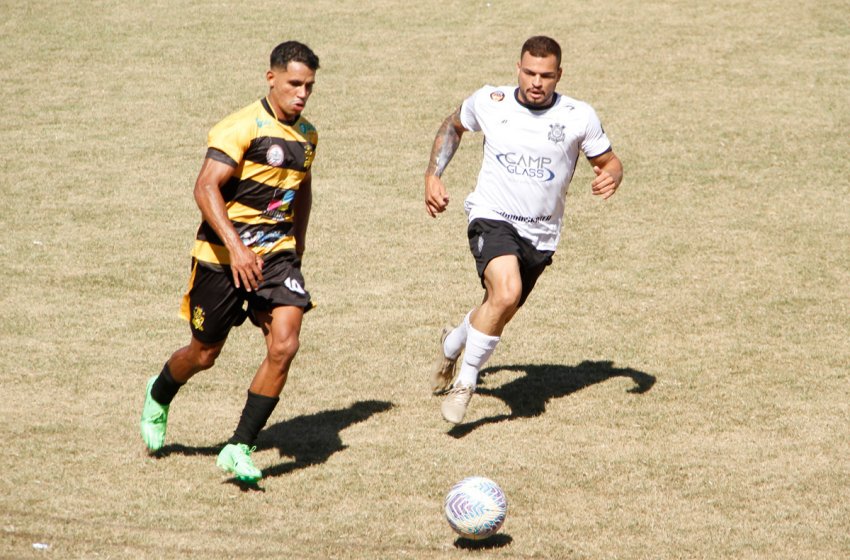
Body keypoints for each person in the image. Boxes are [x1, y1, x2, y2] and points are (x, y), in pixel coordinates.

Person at [140, 41, 320, 483]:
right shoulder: (240, 127)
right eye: (294, 84)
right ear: (271, 78)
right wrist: (238, 249)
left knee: (285, 343)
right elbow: (205, 188)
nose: (301, 94)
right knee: (203, 354)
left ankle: (239, 446)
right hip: (221, 258)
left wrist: (297, 242)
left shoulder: (308, 135)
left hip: (275, 256)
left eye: (309, 87)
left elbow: (302, 187)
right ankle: (159, 393)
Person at [424, 36, 623, 425]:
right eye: (529, 72)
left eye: (546, 76)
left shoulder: (578, 116)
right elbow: (453, 125)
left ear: (558, 75)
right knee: (507, 290)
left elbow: (610, 161)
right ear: (518, 68)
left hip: (542, 235)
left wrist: (611, 176)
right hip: (492, 215)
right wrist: (434, 175)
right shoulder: (490, 101)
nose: (536, 82)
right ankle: (466, 382)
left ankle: (452, 343)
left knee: (499, 307)